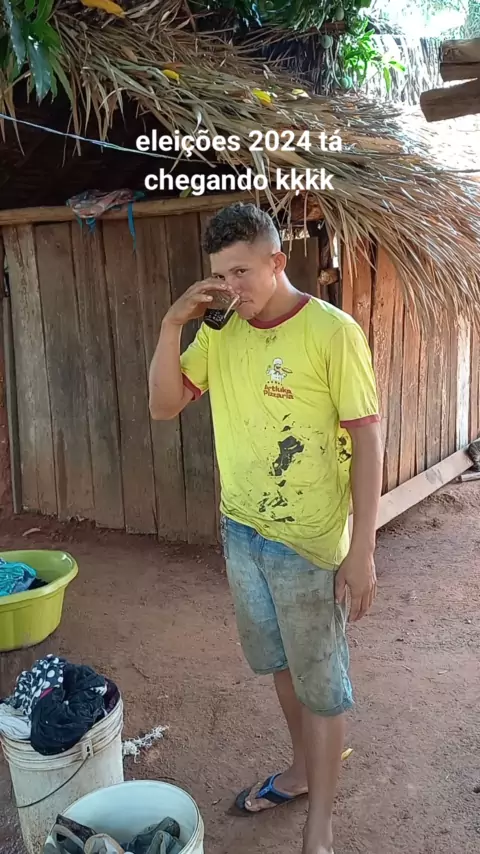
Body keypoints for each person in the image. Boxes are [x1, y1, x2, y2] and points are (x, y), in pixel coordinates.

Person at [149, 202, 383, 854]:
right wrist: (172, 324)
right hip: (243, 534)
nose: (231, 288)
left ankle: (319, 828)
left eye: (243, 272)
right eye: (221, 275)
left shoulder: (331, 332)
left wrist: (363, 549)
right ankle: (302, 771)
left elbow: (368, 440)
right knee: (280, 665)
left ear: (277, 261)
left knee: (322, 687)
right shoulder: (221, 331)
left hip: (308, 543)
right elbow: (163, 405)